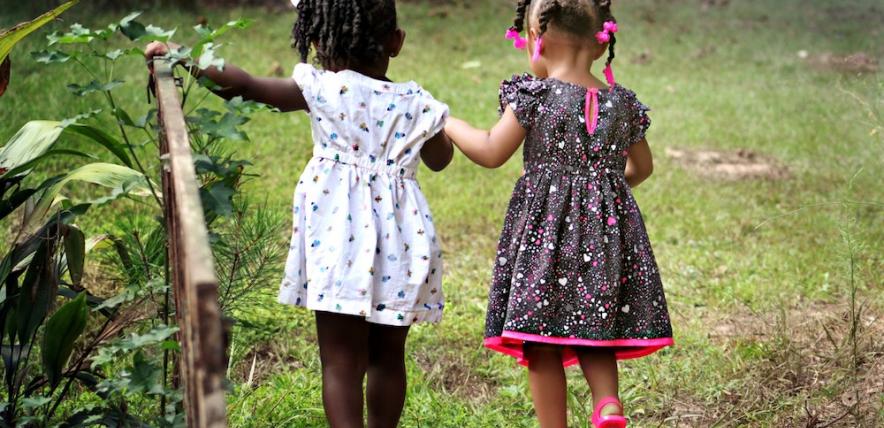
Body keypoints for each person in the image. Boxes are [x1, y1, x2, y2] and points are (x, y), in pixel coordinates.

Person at [145, 1, 453, 426]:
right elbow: (440, 159)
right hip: (401, 244)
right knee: (388, 358)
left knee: (341, 362)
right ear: (396, 43)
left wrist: (184, 57)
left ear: (316, 43)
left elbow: (245, 85)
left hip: (337, 241)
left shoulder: (324, 89)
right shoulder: (416, 101)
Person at [443, 1, 673, 427]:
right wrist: (604, 191)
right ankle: (607, 404)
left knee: (540, 340)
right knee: (594, 322)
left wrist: (447, 122)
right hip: (606, 238)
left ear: (536, 40)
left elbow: (493, 151)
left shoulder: (535, 94)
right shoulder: (623, 103)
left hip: (543, 240)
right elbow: (641, 168)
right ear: (600, 44)